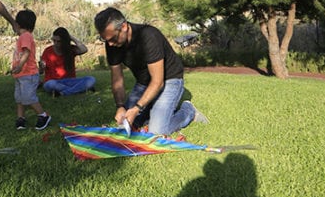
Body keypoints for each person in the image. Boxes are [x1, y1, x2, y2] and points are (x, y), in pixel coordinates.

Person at [93, 7, 208, 135]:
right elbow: (117, 79)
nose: (110, 44)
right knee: (128, 124)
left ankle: (188, 111)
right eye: (105, 39)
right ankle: (153, 112)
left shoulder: (149, 36)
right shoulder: (112, 43)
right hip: (144, 83)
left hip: (169, 80)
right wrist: (120, 106)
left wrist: (137, 108)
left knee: (157, 131)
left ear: (124, 26)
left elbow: (158, 82)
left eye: (112, 38)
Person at [11, 9, 51, 130]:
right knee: (19, 98)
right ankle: (21, 118)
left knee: (28, 97)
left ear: (17, 24)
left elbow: (27, 52)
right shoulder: (23, 36)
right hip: (21, 75)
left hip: (28, 74)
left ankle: (43, 115)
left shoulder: (26, 36)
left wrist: (19, 66)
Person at [40, 27, 97, 96]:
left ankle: (63, 93)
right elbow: (41, 72)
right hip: (53, 81)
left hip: (70, 80)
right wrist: (42, 67)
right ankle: (78, 89)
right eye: (54, 40)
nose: (56, 43)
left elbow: (84, 49)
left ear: (64, 41)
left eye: (59, 41)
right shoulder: (47, 51)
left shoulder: (70, 49)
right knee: (49, 84)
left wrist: (71, 38)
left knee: (91, 79)